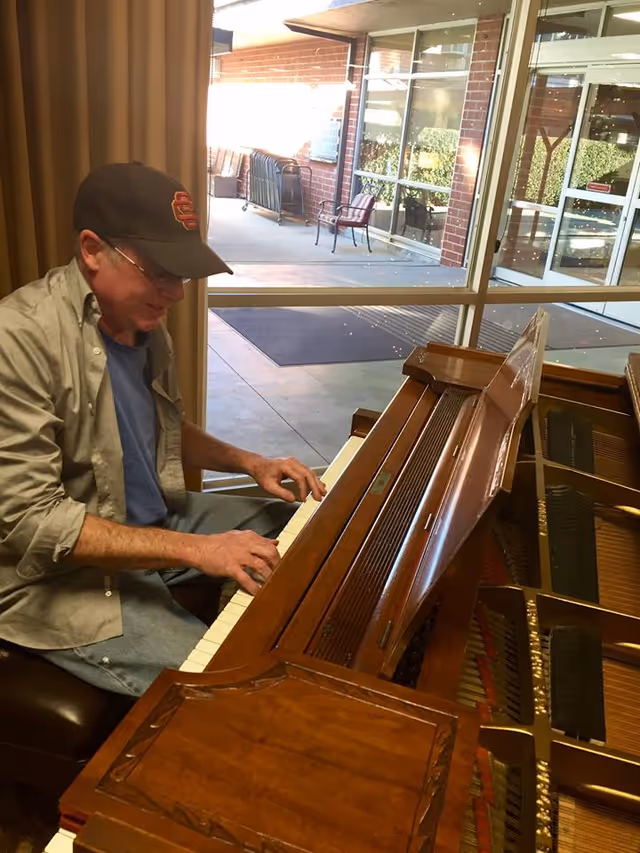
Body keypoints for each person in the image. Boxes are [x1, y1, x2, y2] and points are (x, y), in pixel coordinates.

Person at [0, 162, 325, 697]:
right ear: (90, 249)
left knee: (303, 533)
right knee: (231, 688)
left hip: (153, 515)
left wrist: (252, 463)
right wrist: (198, 550)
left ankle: (233, 615)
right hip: (55, 580)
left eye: (182, 274)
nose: (175, 292)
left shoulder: (142, 326)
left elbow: (159, 425)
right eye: (158, 271)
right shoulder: (21, 339)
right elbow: (35, 523)